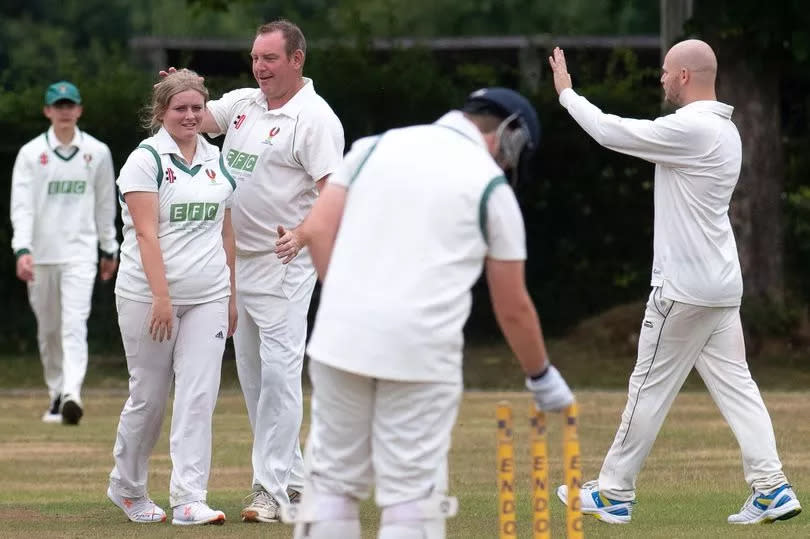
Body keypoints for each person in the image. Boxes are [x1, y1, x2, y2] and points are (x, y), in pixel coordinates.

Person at [276, 88, 575, 539]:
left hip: (340, 338)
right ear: (509, 138)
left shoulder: (372, 148)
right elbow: (512, 305)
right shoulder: (491, 188)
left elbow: (317, 230)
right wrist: (541, 376)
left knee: (332, 490)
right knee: (411, 501)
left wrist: (347, 301)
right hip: (421, 350)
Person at [549, 40, 802, 525]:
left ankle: (614, 493)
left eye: (666, 72)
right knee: (738, 388)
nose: (661, 79)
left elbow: (611, 132)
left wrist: (567, 94)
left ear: (684, 76)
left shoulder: (692, 128)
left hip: (684, 290)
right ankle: (771, 488)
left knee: (647, 386)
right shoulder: (725, 131)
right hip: (720, 287)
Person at [196, 18, 344, 522]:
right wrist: (180, 90)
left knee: (281, 378)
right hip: (237, 262)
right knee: (255, 380)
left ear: (297, 59)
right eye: (256, 58)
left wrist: (303, 235)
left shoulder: (315, 118)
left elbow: (335, 195)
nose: (260, 67)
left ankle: (270, 489)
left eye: (270, 58)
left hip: (287, 260)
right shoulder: (243, 103)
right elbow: (195, 119)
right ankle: (296, 483)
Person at [106, 69, 236, 526]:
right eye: (180, 108)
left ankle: (188, 498)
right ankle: (127, 487)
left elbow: (225, 228)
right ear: (161, 113)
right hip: (148, 296)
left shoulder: (216, 157)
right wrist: (161, 297)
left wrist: (231, 295)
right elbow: (145, 233)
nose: (189, 115)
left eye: (197, 108)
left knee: (199, 395)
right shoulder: (145, 160)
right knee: (150, 397)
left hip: (209, 295)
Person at [10, 81, 119, 426]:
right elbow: (22, 207)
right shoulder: (31, 154)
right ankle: (57, 392)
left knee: (73, 325)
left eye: (70, 105)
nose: (64, 111)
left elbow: (105, 204)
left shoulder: (97, 152)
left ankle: (73, 392)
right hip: (41, 255)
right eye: (58, 105)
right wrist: (22, 250)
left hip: (80, 253)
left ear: (79, 109)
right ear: (48, 111)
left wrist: (108, 247)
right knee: (49, 329)